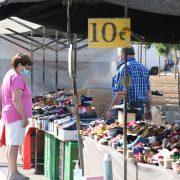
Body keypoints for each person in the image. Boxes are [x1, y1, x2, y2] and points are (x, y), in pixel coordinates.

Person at [0, 53, 33, 180]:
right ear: (20, 65)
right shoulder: (17, 78)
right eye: (27, 68)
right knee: (13, 145)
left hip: (10, 114)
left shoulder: (9, 74)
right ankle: (13, 174)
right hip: (16, 115)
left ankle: (12, 172)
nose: (28, 70)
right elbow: (16, 100)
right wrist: (24, 117)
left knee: (11, 144)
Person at [107, 47, 152, 121]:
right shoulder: (143, 68)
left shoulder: (125, 68)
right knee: (136, 131)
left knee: (121, 131)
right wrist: (148, 110)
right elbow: (148, 92)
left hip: (126, 110)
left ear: (122, 56)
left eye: (118, 57)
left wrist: (111, 110)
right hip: (140, 109)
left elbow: (121, 94)